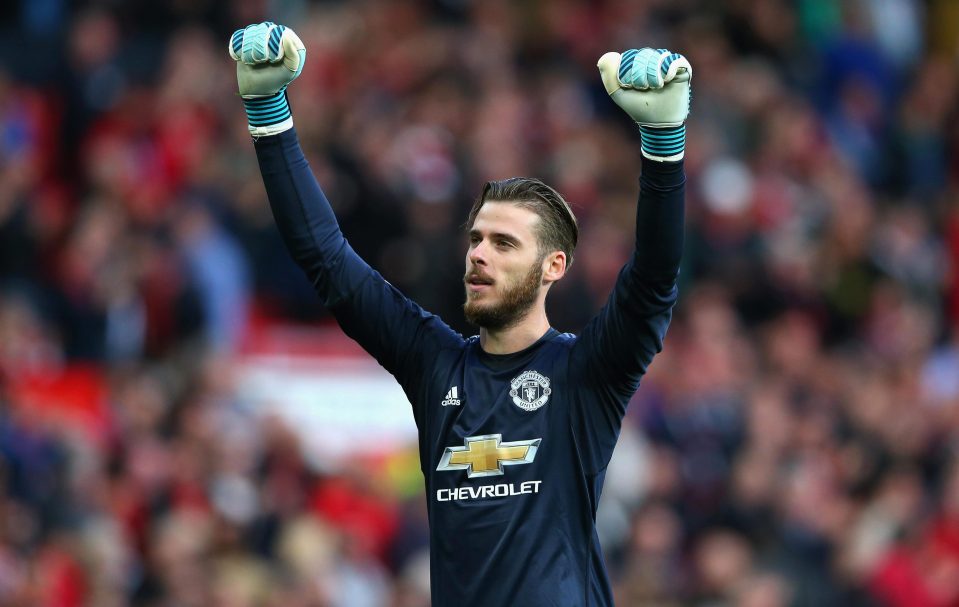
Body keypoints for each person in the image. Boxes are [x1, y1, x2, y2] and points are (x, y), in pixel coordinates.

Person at [229, 21, 690, 606]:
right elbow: (327, 261)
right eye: (476, 239)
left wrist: (664, 144)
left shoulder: (586, 374)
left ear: (553, 266)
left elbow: (652, 281)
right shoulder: (435, 364)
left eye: (503, 243)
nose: (478, 254)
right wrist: (269, 114)